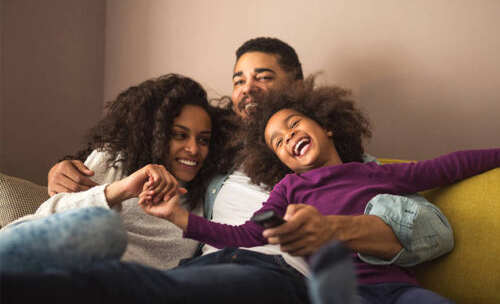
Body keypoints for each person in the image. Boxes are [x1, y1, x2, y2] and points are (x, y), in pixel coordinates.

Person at [0, 38, 454, 304]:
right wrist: (66, 165)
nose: (247, 88)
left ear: (295, 88)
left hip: (295, 276)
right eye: (238, 79)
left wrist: (331, 229)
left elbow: (433, 231)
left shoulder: (337, 162)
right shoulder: (208, 155)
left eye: (263, 76)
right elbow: (139, 150)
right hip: (226, 266)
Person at [140, 78, 499, 303]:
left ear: (326, 126)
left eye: (293, 125)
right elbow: (246, 234)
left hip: (398, 289)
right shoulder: (289, 188)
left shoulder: (373, 172)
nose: (288, 137)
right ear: (281, 161)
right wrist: (179, 216)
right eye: (277, 142)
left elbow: (450, 166)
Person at [0, 73, 232, 272]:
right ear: (157, 134)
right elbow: (48, 214)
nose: (194, 149)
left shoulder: (197, 206)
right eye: (180, 135)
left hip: (98, 283)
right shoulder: (114, 159)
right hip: (33, 248)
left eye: (203, 140)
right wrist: (123, 189)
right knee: (105, 228)